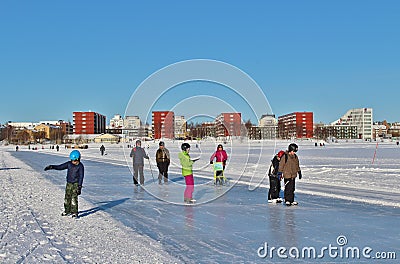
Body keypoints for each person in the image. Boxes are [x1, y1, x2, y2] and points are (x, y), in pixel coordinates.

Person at [44, 150, 84, 218]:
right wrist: (52, 167)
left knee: (74, 198)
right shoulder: (69, 164)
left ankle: (74, 212)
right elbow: (60, 167)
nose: (73, 162)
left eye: (75, 161)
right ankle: (67, 210)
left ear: (78, 159)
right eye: (72, 160)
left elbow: (81, 176)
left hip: (76, 184)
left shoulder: (80, 166)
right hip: (69, 183)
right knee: (67, 197)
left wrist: (79, 186)